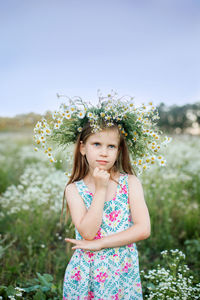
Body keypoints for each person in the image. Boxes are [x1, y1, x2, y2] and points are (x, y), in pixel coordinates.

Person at [33, 92, 171, 299]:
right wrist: (100, 189)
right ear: (82, 148)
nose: (104, 152)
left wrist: (101, 243)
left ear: (118, 151)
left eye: (111, 146)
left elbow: (143, 229)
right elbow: (88, 233)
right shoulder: (74, 189)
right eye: (96, 144)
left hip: (122, 272)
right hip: (86, 273)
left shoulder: (130, 183)